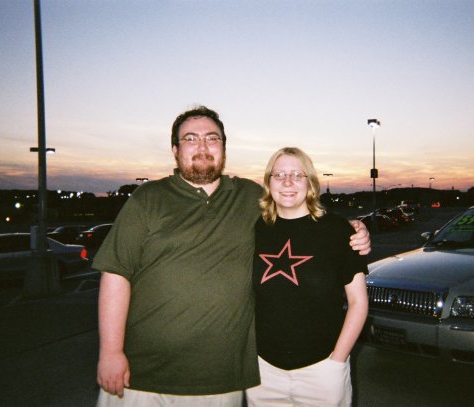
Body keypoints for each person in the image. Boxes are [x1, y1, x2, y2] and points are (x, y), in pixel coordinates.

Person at [94, 106, 371, 406]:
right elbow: (115, 273)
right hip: (143, 375)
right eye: (190, 138)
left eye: (212, 138)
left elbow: (299, 212)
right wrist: (111, 351)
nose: (202, 146)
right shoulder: (147, 199)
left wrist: (353, 228)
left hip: (222, 379)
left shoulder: (248, 197)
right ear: (175, 150)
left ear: (224, 148)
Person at [246, 147, 369, 407]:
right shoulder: (254, 230)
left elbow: (358, 302)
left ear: (310, 183)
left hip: (322, 370)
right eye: (279, 174)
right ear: (268, 183)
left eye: (297, 174)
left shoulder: (337, 230)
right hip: (263, 372)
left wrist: (337, 360)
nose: (287, 182)